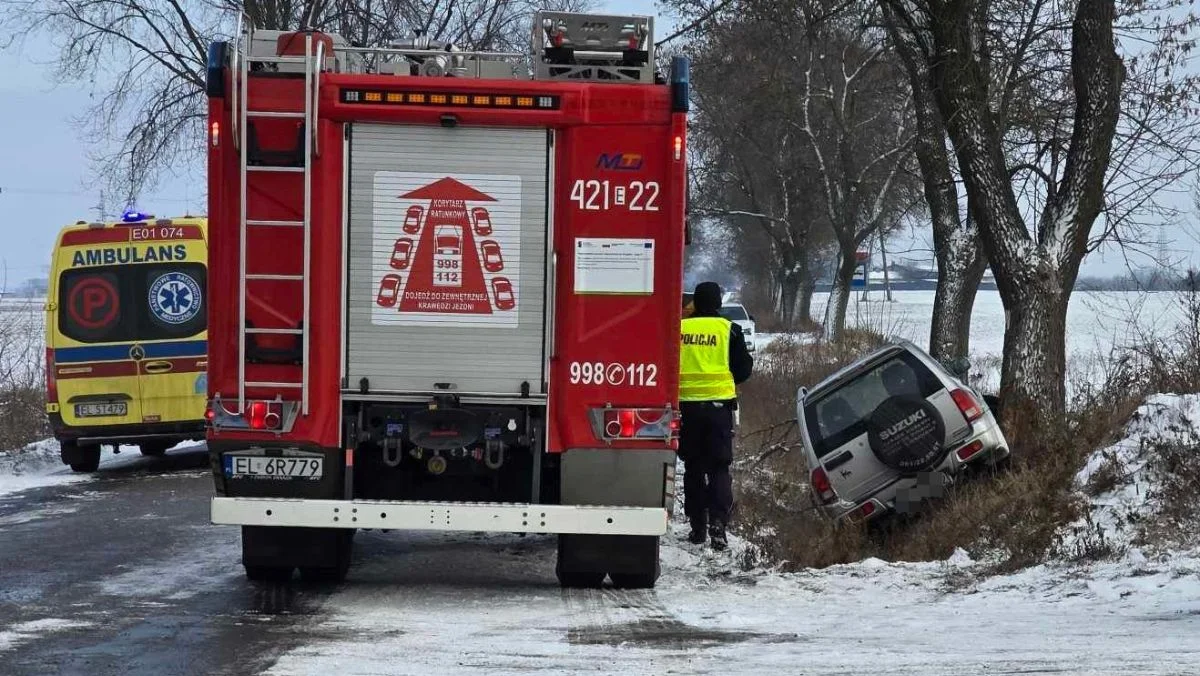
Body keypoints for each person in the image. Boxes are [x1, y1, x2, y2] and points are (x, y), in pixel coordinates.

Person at [677, 281, 753, 551]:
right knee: (719, 467)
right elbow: (743, 371)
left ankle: (697, 526)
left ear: (695, 303)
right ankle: (718, 524)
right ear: (719, 303)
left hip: (686, 409)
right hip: (719, 409)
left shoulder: (680, 329)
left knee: (694, 467)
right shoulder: (729, 330)